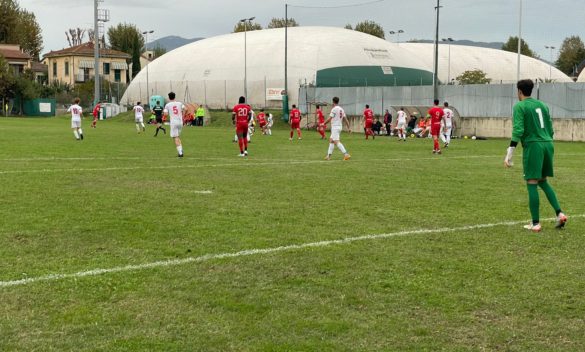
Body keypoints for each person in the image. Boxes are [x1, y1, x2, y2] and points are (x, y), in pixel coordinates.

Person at [504, 79, 567, 232]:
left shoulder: (520, 106)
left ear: (519, 91)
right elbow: (550, 128)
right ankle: (560, 213)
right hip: (547, 143)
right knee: (543, 181)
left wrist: (510, 152)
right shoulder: (543, 105)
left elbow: (518, 129)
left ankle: (535, 223)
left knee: (531, 182)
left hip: (534, 145)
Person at [323, 96, 351, 161]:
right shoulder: (341, 109)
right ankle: (328, 156)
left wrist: (323, 124)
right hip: (339, 126)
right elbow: (346, 119)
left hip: (335, 127)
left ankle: (346, 154)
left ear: (333, 102)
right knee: (331, 140)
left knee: (336, 141)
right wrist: (349, 128)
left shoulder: (334, 109)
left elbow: (329, 119)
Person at [163, 92, 185, 157]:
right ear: (175, 97)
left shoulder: (167, 105)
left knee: (175, 137)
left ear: (169, 97)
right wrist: (183, 116)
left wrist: (164, 114)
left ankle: (180, 153)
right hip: (180, 122)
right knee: (177, 136)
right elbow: (185, 109)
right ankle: (181, 150)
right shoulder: (180, 103)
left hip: (174, 122)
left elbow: (166, 114)